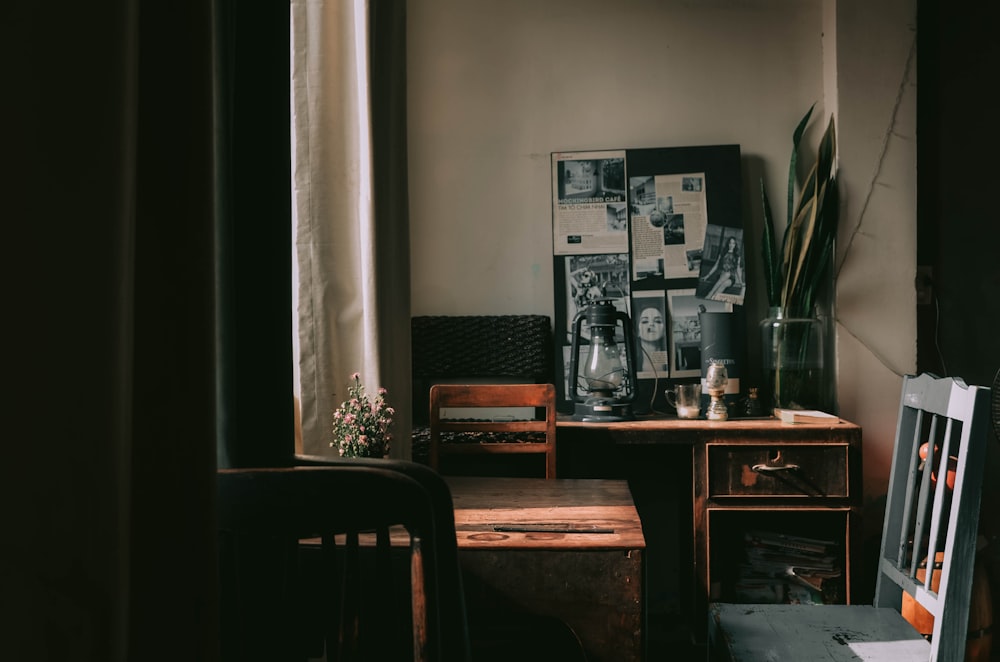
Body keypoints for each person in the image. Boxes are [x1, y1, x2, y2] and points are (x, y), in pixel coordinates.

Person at [636, 305, 666, 373]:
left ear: (664, 329)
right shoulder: (629, 356)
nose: (651, 324)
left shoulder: (671, 352)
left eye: (658, 321)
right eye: (645, 321)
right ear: (638, 329)